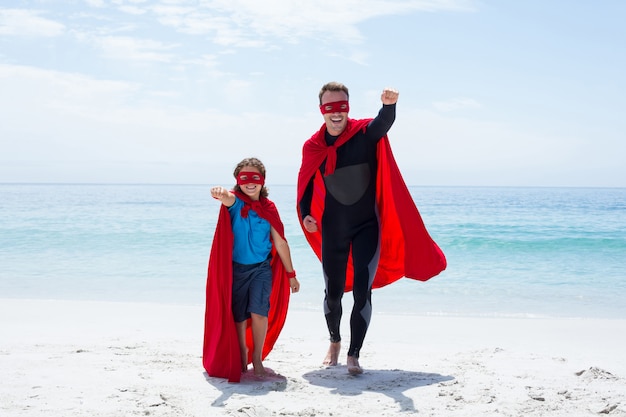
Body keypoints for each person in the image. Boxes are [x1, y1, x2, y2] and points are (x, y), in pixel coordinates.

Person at [297, 82, 446, 375]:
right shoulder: (313, 146)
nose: (336, 113)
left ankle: (354, 354)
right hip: (333, 228)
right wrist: (305, 215)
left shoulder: (364, 133)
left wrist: (389, 106)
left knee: (363, 292)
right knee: (333, 293)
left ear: (348, 108)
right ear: (321, 111)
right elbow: (305, 185)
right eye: (330, 108)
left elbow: (383, 123)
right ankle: (335, 341)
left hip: (367, 226)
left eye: (341, 106)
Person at [203, 157, 300, 383]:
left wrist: (291, 274)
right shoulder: (236, 202)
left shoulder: (269, 208)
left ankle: (257, 359)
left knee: (259, 312)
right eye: (244, 178)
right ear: (238, 181)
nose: (250, 182)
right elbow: (227, 198)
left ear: (262, 181)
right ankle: (242, 355)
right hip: (236, 271)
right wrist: (220, 193)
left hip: (261, 269)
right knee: (238, 316)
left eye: (254, 178)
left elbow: (280, 242)